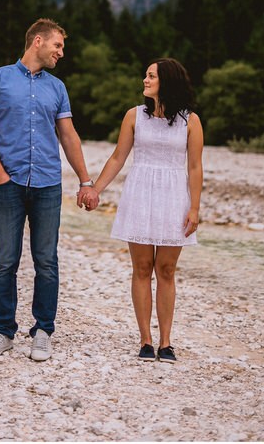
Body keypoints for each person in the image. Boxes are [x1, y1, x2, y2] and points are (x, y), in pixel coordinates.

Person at [0, 18, 98, 363]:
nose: (61, 53)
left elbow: (68, 136)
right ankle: (3, 333)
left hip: (47, 185)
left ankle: (43, 331)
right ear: (38, 41)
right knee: (5, 261)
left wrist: (86, 181)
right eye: (58, 46)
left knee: (46, 261)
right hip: (8, 184)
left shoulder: (57, 88)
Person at [84, 58, 202, 363]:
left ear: (167, 81)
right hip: (140, 193)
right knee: (141, 269)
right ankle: (146, 341)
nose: (145, 80)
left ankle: (166, 342)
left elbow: (195, 166)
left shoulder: (191, 121)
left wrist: (195, 207)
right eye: (146, 75)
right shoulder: (133, 116)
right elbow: (117, 158)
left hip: (174, 197)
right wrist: (95, 188)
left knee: (166, 270)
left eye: (151, 76)